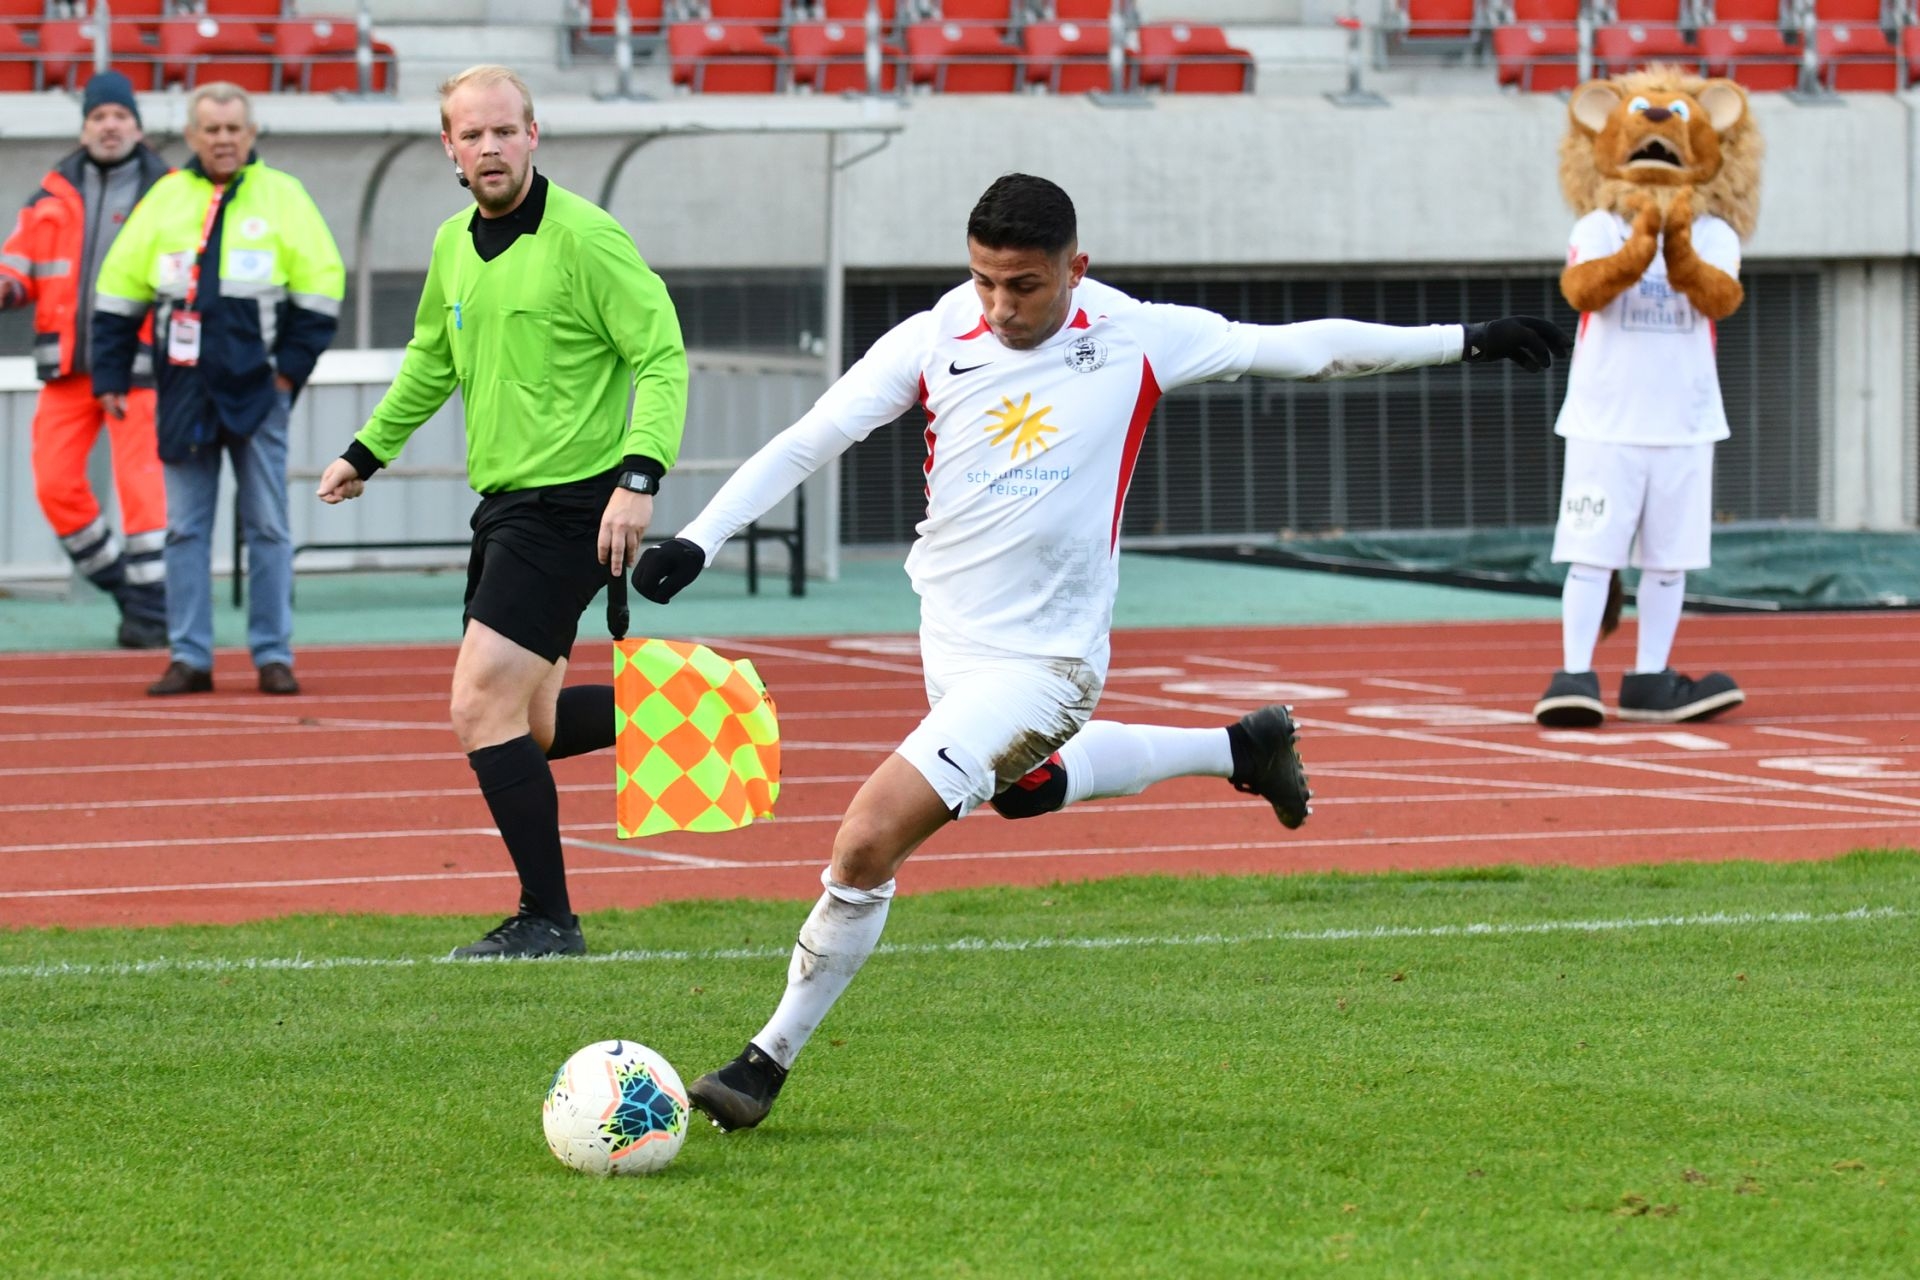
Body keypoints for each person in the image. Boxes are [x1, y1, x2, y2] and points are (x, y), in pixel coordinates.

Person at [630, 172, 1573, 1132]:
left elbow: (1301, 352)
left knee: (870, 836)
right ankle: (1242, 750)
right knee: (1025, 792)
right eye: (985, 281)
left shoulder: (1135, 335)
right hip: (953, 646)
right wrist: (700, 538)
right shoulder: (933, 337)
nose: (1000, 306)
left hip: (1052, 666)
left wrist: (1465, 338)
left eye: (1025, 286)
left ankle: (764, 1062)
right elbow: (807, 439)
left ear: (1076, 269)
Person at [315, 65, 689, 960]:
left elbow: (663, 355)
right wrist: (367, 451)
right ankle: (692, 711)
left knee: (480, 706)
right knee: (536, 727)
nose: (488, 147)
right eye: (470, 134)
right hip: (504, 507)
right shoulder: (452, 245)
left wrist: (639, 481)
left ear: (533, 135)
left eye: (503, 131)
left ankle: (547, 919)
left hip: (571, 508)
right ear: (449, 148)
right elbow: (428, 364)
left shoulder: (587, 239)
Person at [93, 81, 344, 698]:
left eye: (234, 128)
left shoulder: (284, 197)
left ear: (251, 133)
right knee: (183, 529)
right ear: (191, 135)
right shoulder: (164, 199)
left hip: (259, 393)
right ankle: (190, 657)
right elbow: (118, 290)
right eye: (211, 128)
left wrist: (287, 371)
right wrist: (109, 375)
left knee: (268, 526)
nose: (223, 139)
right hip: (182, 394)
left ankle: (272, 655)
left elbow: (320, 288)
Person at [1531, 71, 1754, 728]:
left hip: (1685, 422)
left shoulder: (1716, 234)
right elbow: (1585, 291)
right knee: (1592, 554)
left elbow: (1718, 296)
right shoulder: (1598, 226)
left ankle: (1651, 677)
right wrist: (1641, 243)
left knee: (1669, 561)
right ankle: (1574, 672)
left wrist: (1677, 240)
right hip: (1605, 420)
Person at [0, 71, 171, 650]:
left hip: (139, 366)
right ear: (84, 127)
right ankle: (125, 588)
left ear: (138, 127)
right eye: (99, 117)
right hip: (68, 368)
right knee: (53, 484)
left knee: (143, 491)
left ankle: (153, 609)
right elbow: (18, 265)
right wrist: (5, 285)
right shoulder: (49, 195)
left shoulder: (169, 192)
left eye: (119, 116)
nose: (109, 125)